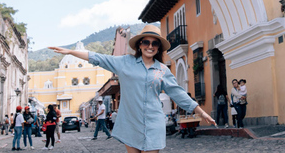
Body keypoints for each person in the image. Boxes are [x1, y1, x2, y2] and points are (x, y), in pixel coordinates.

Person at [49, 24, 215, 153]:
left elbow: (178, 94)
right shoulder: (125, 62)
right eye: (146, 42)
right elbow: (98, 58)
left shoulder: (162, 70)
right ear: (140, 45)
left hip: (153, 122)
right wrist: (70, 52)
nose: (150, 46)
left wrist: (201, 112)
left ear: (158, 47)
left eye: (155, 43)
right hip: (130, 122)